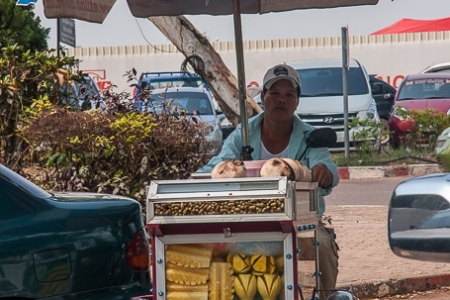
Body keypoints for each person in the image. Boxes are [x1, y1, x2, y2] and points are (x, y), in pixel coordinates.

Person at [198, 63, 340, 300]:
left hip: (300, 223)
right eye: (274, 93)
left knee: (322, 245)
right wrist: (192, 178)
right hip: (248, 220)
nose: (281, 100)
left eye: (289, 95)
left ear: (297, 102)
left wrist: (323, 171)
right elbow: (218, 166)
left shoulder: (309, 136)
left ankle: (325, 296)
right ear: (263, 97)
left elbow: (325, 166)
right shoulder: (245, 133)